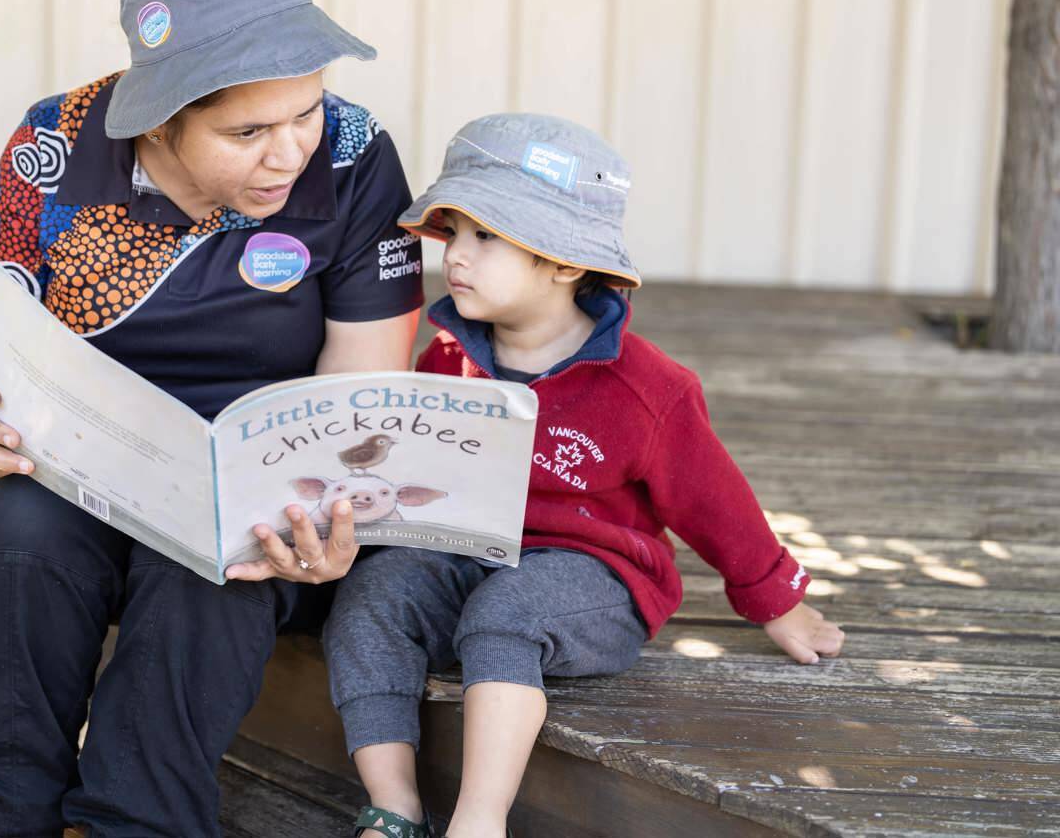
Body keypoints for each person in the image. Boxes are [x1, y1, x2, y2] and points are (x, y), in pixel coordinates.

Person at [0, 0, 425, 836]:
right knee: (18, 542)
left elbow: (358, 402)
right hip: (83, 463)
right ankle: (9, 821)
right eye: (247, 133)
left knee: (215, 570)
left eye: (306, 112)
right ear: (160, 121)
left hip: (263, 480)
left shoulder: (355, 155)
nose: (289, 153)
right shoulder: (51, 145)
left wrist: (329, 524)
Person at [322, 114, 846, 838]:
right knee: (371, 595)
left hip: (593, 578)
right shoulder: (448, 360)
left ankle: (479, 819)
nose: (457, 256)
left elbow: (714, 501)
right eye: (454, 233)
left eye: (486, 236)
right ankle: (395, 805)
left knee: (508, 611)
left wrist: (775, 600)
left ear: (566, 263)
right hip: (469, 554)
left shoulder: (646, 389)